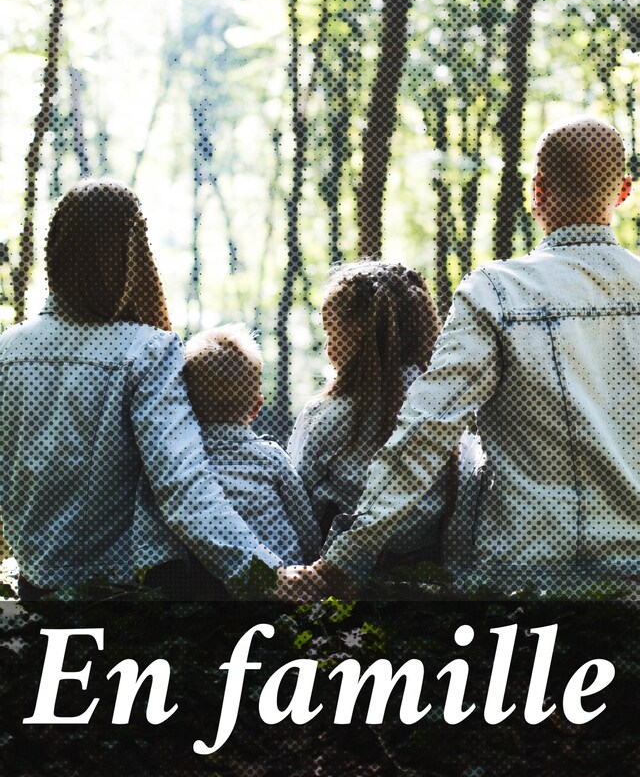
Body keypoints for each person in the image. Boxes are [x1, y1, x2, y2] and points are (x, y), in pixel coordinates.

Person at [275, 117, 640, 599]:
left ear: (538, 190)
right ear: (622, 192)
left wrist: (344, 560)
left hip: (525, 584)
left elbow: (426, 431)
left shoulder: (496, 293)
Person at [0, 179, 281, 600]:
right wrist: (266, 575)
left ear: (54, 250)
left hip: (37, 587)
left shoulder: (8, 349)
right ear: (133, 253)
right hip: (123, 594)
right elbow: (182, 483)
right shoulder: (147, 350)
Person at [287, 261, 444, 548]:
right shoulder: (444, 407)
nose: (327, 345)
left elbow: (296, 500)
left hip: (340, 574)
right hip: (427, 568)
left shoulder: (325, 416)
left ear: (360, 333)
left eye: (332, 331)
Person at [182, 323, 320, 580]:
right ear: (257, 407)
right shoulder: (271, 457)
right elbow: (304, 523)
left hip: (215, 583)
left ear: (186, 405)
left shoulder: (185, 462)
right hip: (283, 577)